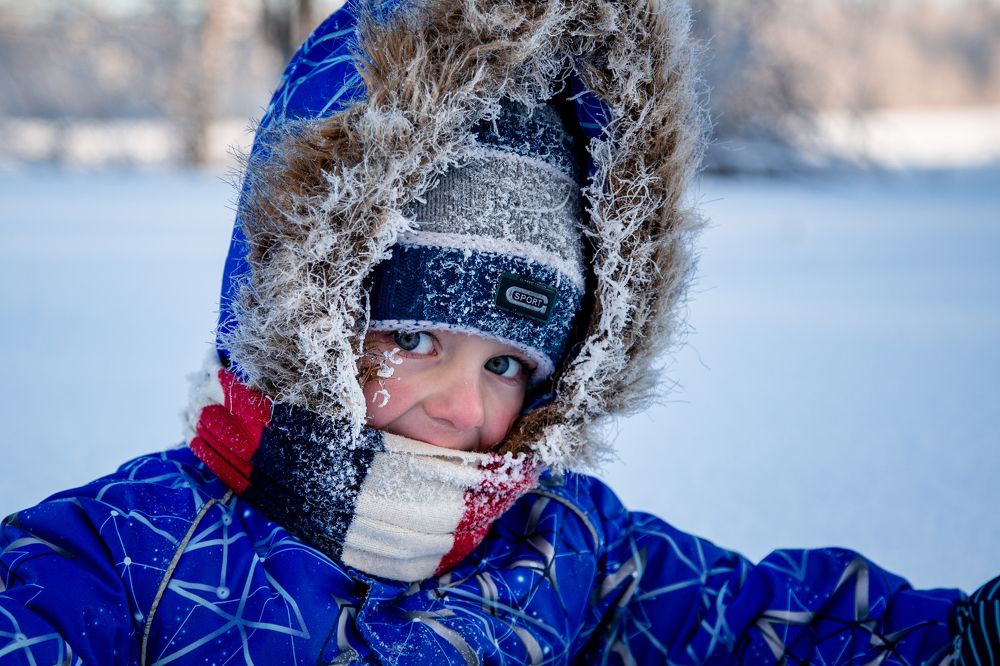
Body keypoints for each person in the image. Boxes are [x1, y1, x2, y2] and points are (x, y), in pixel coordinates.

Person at [1, 1, 997, 663]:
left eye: (509, 362)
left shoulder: (563, 552)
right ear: (316, 307)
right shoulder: (126, 553)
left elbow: (773, 628)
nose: (463, 405)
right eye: (418, 339)